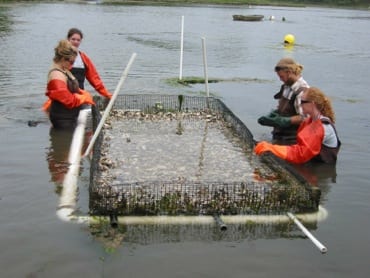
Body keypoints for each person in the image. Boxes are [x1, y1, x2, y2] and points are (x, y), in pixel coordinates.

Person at [254, 87, 341, 164]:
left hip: (321, 167)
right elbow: (299, 147)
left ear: (312, 104)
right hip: (311, 162)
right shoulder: (309, 121)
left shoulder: (322, 126)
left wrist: (272, 148)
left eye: (302, 101)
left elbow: (301, 154)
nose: (300, 104)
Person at [43, 39, 95, 129]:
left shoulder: (64, 69)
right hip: (63, 119)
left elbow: (69, 89)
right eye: (71, 62)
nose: (72, 65)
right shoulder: (56, 75)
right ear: (63, 59)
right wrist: (84, 98)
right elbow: (68, 100)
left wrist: (81, 92)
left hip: (70, 115)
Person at [257, 58, 309, 143]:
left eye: (281, 76)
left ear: (289, 72)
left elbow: (306, 118)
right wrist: (274, 114)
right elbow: (284, 107)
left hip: (293, 139)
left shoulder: (302, 91)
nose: (280, 79)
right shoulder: (287, 85)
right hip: (280, 135)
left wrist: (284, 120)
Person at [66, 27, 112, 99]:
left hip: (80, 95)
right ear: (68, 39)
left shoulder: (84, 58)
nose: (75, 42)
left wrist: (107, 94)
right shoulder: (62, 56)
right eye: (73, 39)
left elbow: (94, 78)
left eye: (78, 40)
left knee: (93, 109)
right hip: (65, 95)